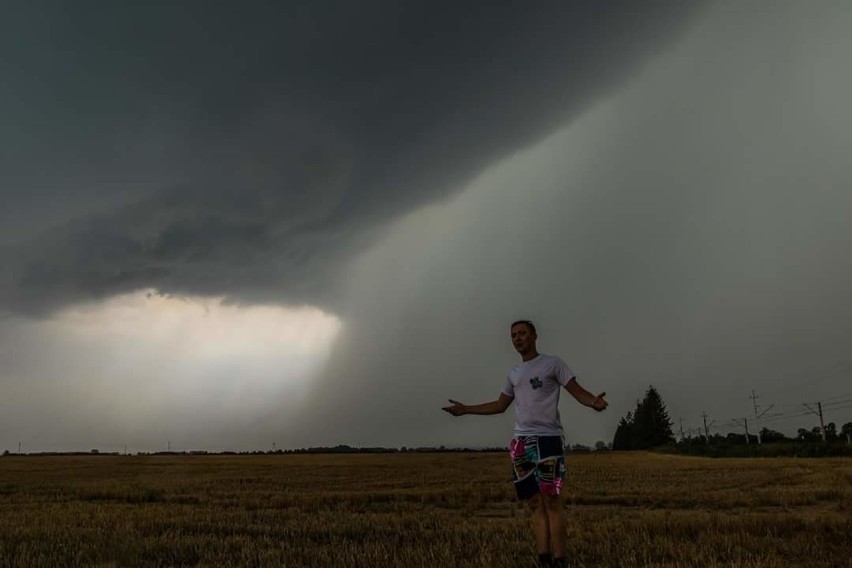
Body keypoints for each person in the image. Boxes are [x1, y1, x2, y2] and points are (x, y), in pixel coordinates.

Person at [442, 320, 607, 568]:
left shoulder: (553, 364)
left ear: (534, 336)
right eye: (514, 335)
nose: (517, 338)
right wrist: (466, 409)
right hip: (521, 443)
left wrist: (593, 402)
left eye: (522, 333)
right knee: (533, 503)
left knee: (551, 500)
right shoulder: (514, 374)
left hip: (548, 440)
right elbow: (500, 405)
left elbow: (576, 391)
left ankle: (560, 560)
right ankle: (544, 559)